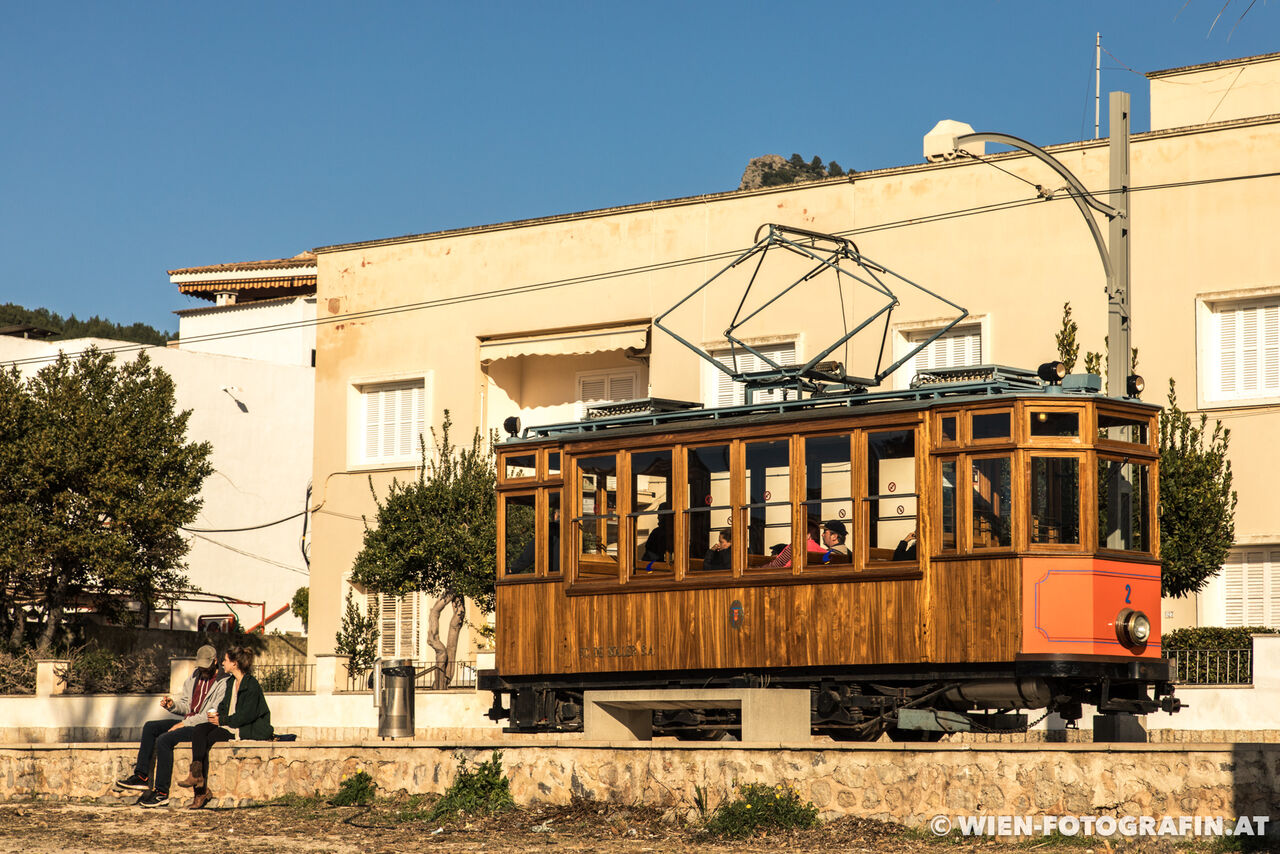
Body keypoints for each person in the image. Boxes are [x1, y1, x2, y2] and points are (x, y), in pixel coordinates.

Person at [117, 643, 226, 808]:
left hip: (201, 726)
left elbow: (210, 714)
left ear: (215, 662)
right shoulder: (194, 677)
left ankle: (161, 793)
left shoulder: (222, 683)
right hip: (188, 720)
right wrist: (172, 705)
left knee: (164, 740)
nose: (203, 670)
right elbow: (186, 705)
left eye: (206, 666)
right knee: (150, 727)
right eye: (201, 666)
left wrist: (184, 723)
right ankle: (141, 776)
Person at [184, 646, 274, 809]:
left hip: (241, 728)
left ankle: (200, 792)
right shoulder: (231, 682)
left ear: (234, 663)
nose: (223, 663)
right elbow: (224, 706)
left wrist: (222, 720)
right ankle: (196, 774)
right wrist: (218, 716)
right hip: (227, 725)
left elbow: (246, 716)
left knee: (207, 739)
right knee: (199, 730)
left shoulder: (251, 684)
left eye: (225, 660)